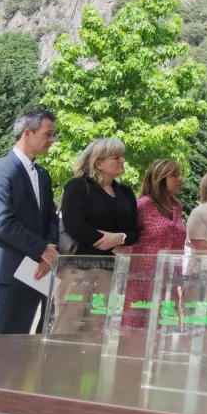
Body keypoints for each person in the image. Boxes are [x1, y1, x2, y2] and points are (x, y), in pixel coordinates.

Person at [0, 109, 59, 335]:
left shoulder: (43, 174)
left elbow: (51, 217)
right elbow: (2, 222)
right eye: (48, 134)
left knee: (18, 348)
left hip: (34, 273)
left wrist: (49, 248)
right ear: (28, 133)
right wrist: (43, 249)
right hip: (2, 274)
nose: (52, 140)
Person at [51, 138, 140, 333]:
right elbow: (75, 225)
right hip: (77, 270)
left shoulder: (125, 192)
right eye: (116, 157)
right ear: (98, 164)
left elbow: (134, 231)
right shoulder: (77, 186)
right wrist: (108, 242)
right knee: (67, 327)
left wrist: (120, 238)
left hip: (109, 270)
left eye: (122, 156)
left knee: (95, 330)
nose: (123, 160)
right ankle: (58, 364)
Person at [124, 160, 187, 329]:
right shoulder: (142, 205)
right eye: (174, 175)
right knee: (137, 332)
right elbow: (126, 240)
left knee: (165, 333)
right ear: (160, 179)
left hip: (169, 282)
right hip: (141, 282)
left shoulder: (177, 207)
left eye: (179, 174)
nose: (180, 179)